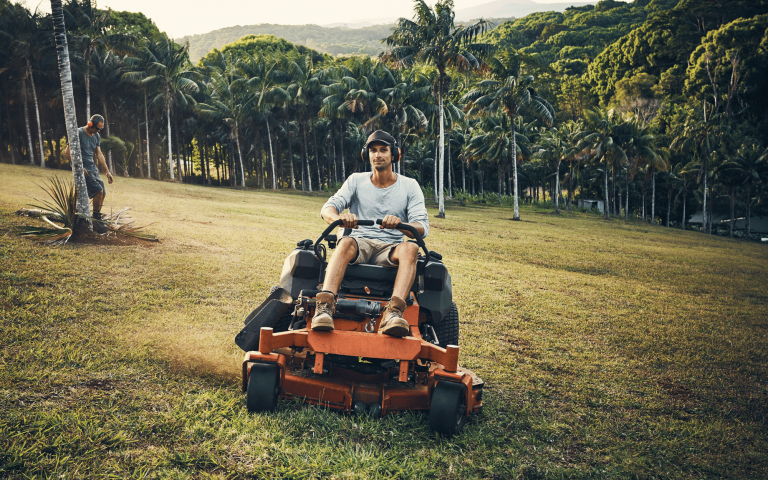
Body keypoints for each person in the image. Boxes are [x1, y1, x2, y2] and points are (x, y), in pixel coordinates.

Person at [312, 130, 429, 337]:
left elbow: (422, 227)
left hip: (390, 249)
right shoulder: (356, 180)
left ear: (395, 154)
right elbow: (328, 208)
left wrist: (400, 224)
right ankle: (324, 307)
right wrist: (339, 218)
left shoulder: (410, 186)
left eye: (383, 150)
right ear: (366, 155)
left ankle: (393, 314)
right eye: (373, 151)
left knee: (411, 247)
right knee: (346, 242)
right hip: (359, 244)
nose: (378, 155)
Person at [64, 114, 113, 234]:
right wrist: (78, 167)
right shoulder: (79, 132)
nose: (98, 131)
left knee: (103, 193)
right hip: (83, 168)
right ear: (90, 124)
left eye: (101, 129)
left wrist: (107, 172)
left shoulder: (96, 136)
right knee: (98, 191)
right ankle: (96, 219)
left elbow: (99, 155)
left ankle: (97, 218)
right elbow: (67, 151)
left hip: (92, 167)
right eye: (97, 128)